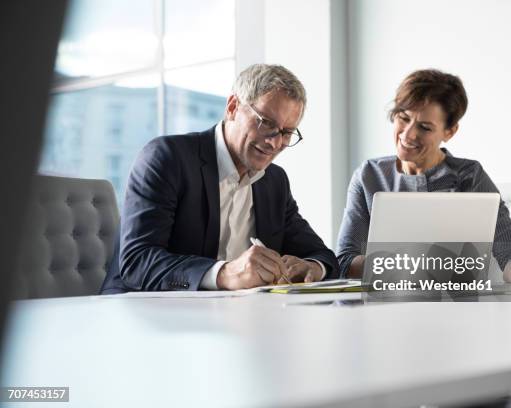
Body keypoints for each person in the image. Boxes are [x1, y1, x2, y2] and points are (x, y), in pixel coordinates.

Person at [101, 64, 338, 293]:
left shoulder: (274, 181)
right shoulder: (167, 158)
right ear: (233, 107)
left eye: (286, 132)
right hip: (144, 314)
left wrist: (313, 268)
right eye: (266, 123)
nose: (275, 142)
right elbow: (137, 262)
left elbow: (322, 255)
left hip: (230, 318)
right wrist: (224, 274)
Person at [336, 69, 511, 286]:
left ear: (449, 132)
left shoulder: (470, 176)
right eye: (403, 118)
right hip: (384, 304)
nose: (408, 134)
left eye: (425, 127)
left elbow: (510, 255)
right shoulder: (369, 176)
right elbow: (344, 262)